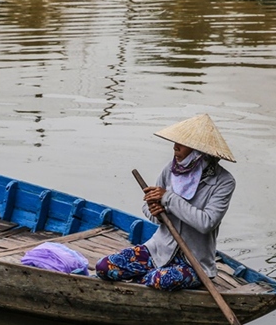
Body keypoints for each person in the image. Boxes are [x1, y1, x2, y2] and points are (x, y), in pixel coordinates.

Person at [95, 114, 236, 290]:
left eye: (182, 144)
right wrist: (156, 213)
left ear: (199, 151)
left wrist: (168, 198)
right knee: (104, 267)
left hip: (194, 265)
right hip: (158, 251)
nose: (175, 148)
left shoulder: (224, 182)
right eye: (176, 142)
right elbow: (149, 208)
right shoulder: (171, 170)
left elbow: (206, 223)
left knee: (159, 280)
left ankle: (139, 282)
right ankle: (140, 280)